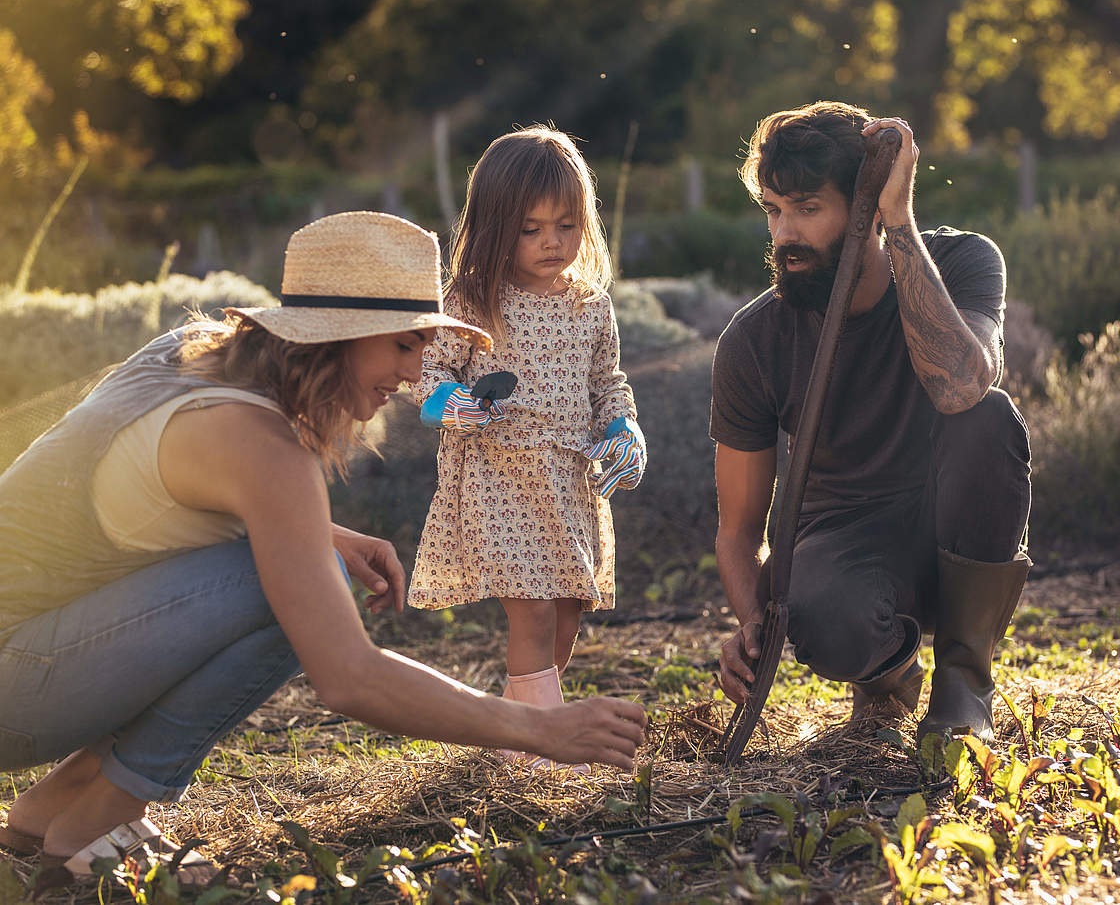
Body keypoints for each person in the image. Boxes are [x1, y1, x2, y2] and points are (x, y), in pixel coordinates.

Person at [0, 212, 647, 885]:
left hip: (25, 651)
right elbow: (348, 676)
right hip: (15, 690)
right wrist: (540, 730)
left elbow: (134, 492)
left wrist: (322, 533)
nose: (414, 371)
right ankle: (97, 822)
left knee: (309, 564)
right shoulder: (263, 449)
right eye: (403, 345)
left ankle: (55, 809)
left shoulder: (190, 356)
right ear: (340, 337)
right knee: (298, 593)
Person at [712, 101, 1032, 743]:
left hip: (952, 518)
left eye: (807, 209)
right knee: (827, 618)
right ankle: (888, 675)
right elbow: (740, 526)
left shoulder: (966, 262)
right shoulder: (754, 340)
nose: (784, 235)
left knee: (988, 417)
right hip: (843, 534)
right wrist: (752, 620)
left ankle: (964, 681)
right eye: (774, 210)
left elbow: (962, 387)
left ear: (864, 205)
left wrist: (899, 222)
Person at [407, 127, 646, 769]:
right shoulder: (473, 300)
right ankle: (542, 747)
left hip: (568, 478)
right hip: (500, 475)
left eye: (565, 225)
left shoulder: (590, 304)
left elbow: (608, 384)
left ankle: (516, 734)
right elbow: (429, 374)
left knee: (565, 614)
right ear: (495, 226)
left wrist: (624, 429)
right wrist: (449, 405)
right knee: (533, 611)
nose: (551, 242)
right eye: (530, 228)